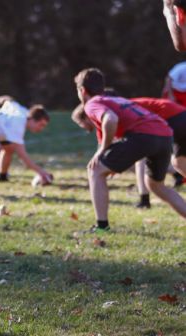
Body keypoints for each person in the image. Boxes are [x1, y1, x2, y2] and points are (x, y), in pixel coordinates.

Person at [72, 68, 186, 233]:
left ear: (82, 91)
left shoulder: (92, 103)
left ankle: (102, 227)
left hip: (146, 135)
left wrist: (102, 150)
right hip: (165, 133)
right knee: (155, 185)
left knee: (95, 170)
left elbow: (111, 119)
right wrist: (106, 155)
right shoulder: (116, 100)